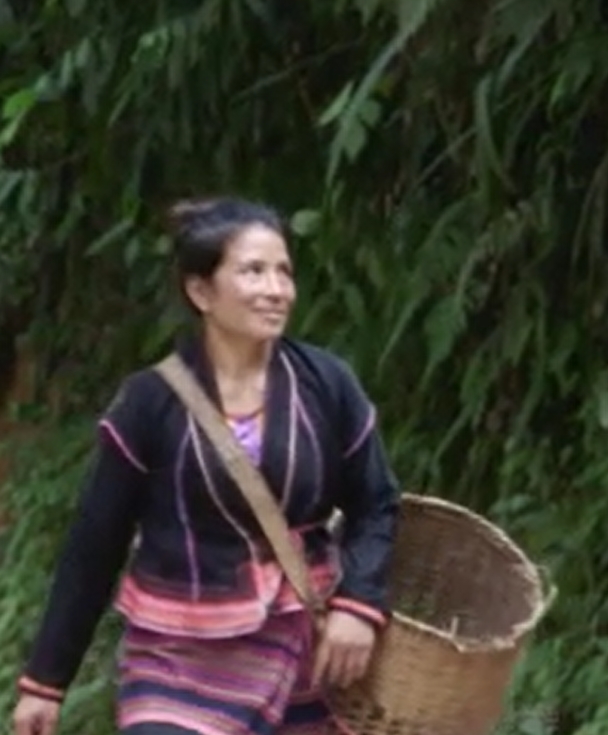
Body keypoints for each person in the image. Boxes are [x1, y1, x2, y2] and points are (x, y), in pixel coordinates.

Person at [12, 198, 402, 735]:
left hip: (308, 655)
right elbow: (95, 542)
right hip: (178, 654)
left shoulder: (327, 384)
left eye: (284, 271)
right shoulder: (149, 403)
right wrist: (45, 681)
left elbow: (376, 503)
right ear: (201, 292)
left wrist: (358, 604)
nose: (276, 289)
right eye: (253, 271)